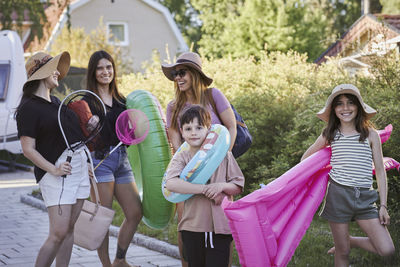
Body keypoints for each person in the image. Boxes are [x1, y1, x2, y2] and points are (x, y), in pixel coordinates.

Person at [301, 84, 395, 266]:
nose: (345, 108)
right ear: (334, 109)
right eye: (339, 104)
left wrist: (383, 205)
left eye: (350, 103)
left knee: (386, 249)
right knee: (342, 252)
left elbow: (381, 173)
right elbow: (306, 158)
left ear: (358, 107)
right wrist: (320, 174)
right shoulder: (330, 134)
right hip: (338, 195)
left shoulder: (371, 135)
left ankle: (352, 240)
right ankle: (345, 244)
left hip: (366, 197)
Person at [15, 51, 92, 267]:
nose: (58, 72)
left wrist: (84, 163)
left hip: (76, 170)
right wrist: (54, 169)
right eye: (54, 68)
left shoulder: (57, 102)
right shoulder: (29, 107)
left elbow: (73, 137)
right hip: (56, 174)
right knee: (58, 232)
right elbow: (28, 149)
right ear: (41, 72)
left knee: (68, 230)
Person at [162, 51, 237, 266]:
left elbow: (230, 127)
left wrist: (223, 159)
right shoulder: (173, 107)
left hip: (219, 174)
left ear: (195, 73)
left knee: (222, 226)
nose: (177, 77)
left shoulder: (213, 96)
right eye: (175, 74)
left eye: (182, 72)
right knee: (186, 226)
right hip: (188, 175)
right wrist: (191, 169)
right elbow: (177, 145)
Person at [164, 105, 244, 267]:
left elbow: (238, 185)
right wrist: (204, 189)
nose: (193, 132)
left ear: (209, 129)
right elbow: (171, 183)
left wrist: (221, 186)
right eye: (188, 128)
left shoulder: (224, 155)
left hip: (220, 227)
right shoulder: (182, 157)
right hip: (193, 227)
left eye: (199, 127)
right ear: (181, 131)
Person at [85, 50, 142, 267]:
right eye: (100, 68)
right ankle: (106, 265)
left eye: (108, 67)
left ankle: (120, 260)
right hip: (99, 162)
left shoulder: (121, 101)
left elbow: (127, 136)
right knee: (102, 219)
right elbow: (77, 137)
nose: (105, 71)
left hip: (121, 160)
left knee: (135, 212)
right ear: (93, 72)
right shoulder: (86, 101)